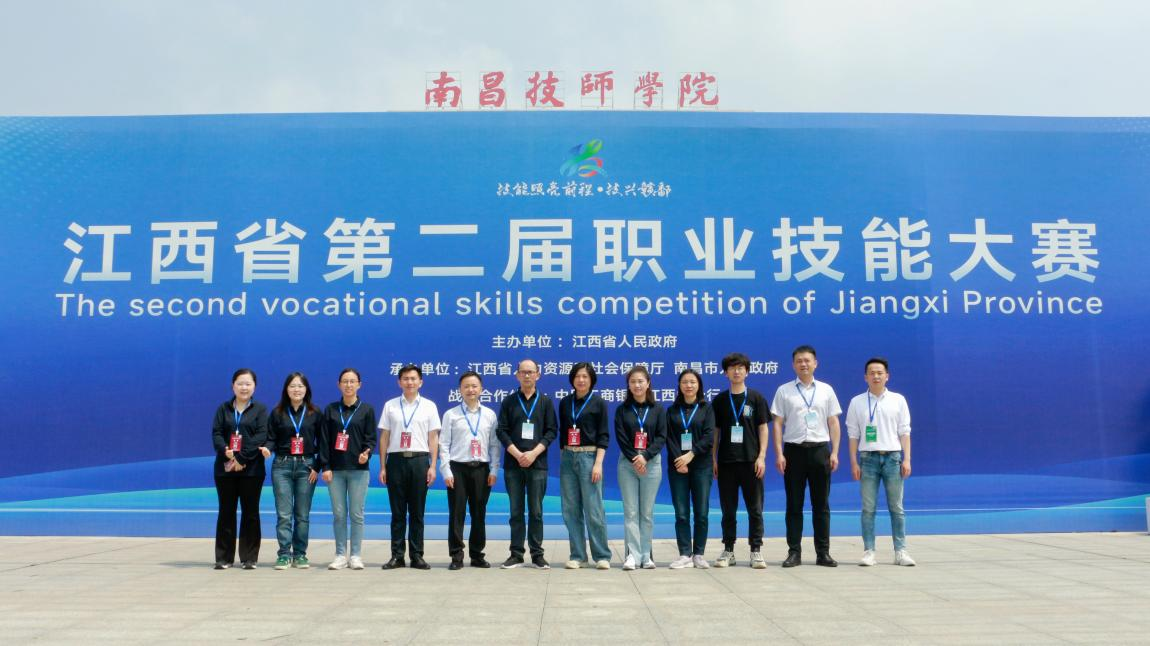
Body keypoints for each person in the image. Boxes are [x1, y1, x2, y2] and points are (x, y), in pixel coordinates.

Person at [771, 345, 843, 567]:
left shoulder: (826, 390)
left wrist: (835, 452)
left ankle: (823, 553)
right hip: (793, 452)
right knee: (794, 505)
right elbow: (777, 423)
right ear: (793, 365)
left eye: (807, 360)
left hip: (820, 451)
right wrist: (779, 453)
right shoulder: (784, 391)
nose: (803, 364)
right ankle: (794, 552)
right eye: (799, 361)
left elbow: (833, 422)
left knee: (821, 505)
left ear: (815, 363)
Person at [846, 357, 915, 567]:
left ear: (887, 376)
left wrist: (907, 459)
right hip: (868, 459)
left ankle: (900, 551)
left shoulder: (898, 400)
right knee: (868, 508)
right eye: (872, 373)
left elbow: (904, 432)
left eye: (880, 373)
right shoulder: (857, 401)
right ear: (865, 377)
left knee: (897, 507)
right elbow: (853, 435)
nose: (876, 376)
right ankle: (869, 551)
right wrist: (853, 462)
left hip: (893, 458)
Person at [496, 358, 557, 569]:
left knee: (536, 512)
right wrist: (517, 453)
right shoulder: (509, 401)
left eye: (531, 372)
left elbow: (551, 431)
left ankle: (537, 554)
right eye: (523, 372)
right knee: (516, 511)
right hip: (513, 465)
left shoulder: (545, 402)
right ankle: (516, 554)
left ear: (538, 375)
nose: (527, 375)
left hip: (537, 464)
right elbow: (501, 431)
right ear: (517, 375)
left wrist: (533, 453)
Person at [712, 352, 772, 569]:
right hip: (726, 463)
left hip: (751, 462)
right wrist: (713, 458)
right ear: (726, 373)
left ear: (747, 372)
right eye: (732, 368)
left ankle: (756, 550)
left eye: (740, 368)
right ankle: (728, 550)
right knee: (728, 510)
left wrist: (762, 456)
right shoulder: (720, 400)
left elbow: (763, 428)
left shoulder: (756, 398)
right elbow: (716, 432)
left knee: (755, 509)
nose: (736, 372)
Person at [379, 364, 440, 570]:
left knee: (417, 512)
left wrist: (433, 466)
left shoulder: (429, 406)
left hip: (419, 461)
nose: (409, 382)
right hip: (396, 461)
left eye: (413, 378)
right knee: (397, 513)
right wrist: (383, 466)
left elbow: (433, 438)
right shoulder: (390, 406)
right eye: (405, 378)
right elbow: (384, 437)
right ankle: (397, 556)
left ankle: (417, 556)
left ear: (420, 382)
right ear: (399, 382)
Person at [438, 371, 501, 569]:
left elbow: (494, 445)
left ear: (481, 389)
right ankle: (456, 556)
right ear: (460, 390)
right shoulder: (451, 414)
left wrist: (494, 470)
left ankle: (477, 555)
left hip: (481, 469)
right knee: (457, 514)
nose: (470, 390)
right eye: (466, 386)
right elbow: (443, 445)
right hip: (457, 469)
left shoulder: (489, 414)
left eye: (474, 386)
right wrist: (446, 471)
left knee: (478, 513)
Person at [210, 368, 269, 570]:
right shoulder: (223, 409)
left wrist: (241, 458)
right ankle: (224, 558)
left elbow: (261, 436)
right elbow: (217, 433)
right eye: (240, 383)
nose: (244, 387)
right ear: (233, 386)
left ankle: (249, 558)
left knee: (250, 512)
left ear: (255, 387)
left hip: (251, 470)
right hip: (225, 469)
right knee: (226, 512)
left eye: (248, 384)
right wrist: (225, 450)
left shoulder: (260, 410)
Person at [320, 368, 377, 571]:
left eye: (353, 381)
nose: (349, 385)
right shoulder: (331, 410)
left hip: (358, 470)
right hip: (335, 471)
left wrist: (366, 453)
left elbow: (371, 438)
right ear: (339, 385)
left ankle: (355, 555)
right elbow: (324, 440)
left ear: (359, 385)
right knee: (339, 514)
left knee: (356, 514)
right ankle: (340, 555)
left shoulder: (367, 409)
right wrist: (325, 466)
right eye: (345, 381)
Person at [558, 362, 611, 570]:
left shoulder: (599, 403)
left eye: (585, 377)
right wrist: (564, 458)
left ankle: (602, 555)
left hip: (590, 457)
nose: (581, 380)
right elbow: (563, 434)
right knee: (570, 509)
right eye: (577, 376)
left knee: (593, 509)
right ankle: (578, 555)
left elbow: (603, 436)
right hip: (568, 457)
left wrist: (598, 464)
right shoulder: (565, 403)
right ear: (572, 379)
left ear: (591, 380)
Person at [615, 365, 667, 571]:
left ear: (648, 383)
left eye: (640, 381)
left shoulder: (658, 409)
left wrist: (645, 457)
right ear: (628, 385)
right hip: (627, 465)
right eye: (633, 382)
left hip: (651, 464)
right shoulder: (622, 410)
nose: (637, 385)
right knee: (630, 512)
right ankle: (632, 556)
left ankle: (646, 555)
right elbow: (621, 438)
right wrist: (635, 459)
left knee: (646, 513)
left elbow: (662, 437)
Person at [266, 372, 321, 570]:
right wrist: (267, 448)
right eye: (292, 386)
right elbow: (271, 438)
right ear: (286, 390)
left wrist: (317, 466)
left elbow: (323, 442)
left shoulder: (315, 413)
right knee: (284, 514)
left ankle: (300, 554)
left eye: (300, 386)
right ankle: (283, 554)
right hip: (282, 465)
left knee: (302, 514)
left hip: (307, 467)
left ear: (306, 389)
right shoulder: (277, 412)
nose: (296, 389)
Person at [666, 368, 716, 569]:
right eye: (685, 382)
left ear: (699, 385)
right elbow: (668, 437)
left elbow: (709, 437)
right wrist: (680, 460)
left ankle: (699, 554)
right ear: (679, 386)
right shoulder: (672, 410)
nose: (689, 385)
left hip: (701, 466)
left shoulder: (707, 409)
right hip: (678, 467)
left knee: (701, 513)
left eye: (692, 382)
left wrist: (691, 454)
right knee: (681, 513)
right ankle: (685, 554)